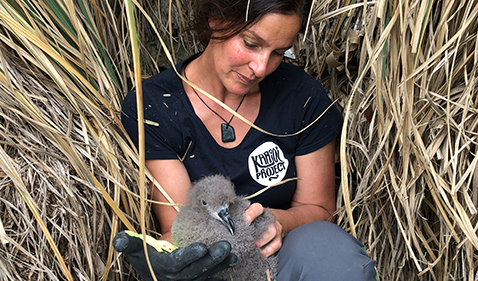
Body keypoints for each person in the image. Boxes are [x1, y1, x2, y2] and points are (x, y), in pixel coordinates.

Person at [119, 0, 377, 280]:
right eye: (251, 43)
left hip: (283, 260)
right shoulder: (156, 106)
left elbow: (321, 209)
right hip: (213, 267)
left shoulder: (301, 96)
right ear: (216, 20)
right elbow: (181, 227)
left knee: (328, 247)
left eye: (278, 52)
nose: (261, 67)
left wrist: (278, 221)